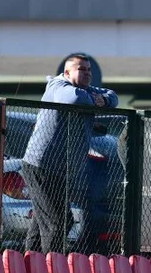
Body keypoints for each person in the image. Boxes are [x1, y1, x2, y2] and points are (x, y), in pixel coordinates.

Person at [21, 54, 118, 253]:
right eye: (82, 69)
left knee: (46, 221)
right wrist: (97, 100)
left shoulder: (85, 90)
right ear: (67, 72)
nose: (87, 74)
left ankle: (30, 266)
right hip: (41, 165)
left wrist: (103, 99)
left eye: (89, 70)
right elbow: (73, 99)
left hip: (62, 169)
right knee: (57, 223)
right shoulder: (58, 86)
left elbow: (113, 96)